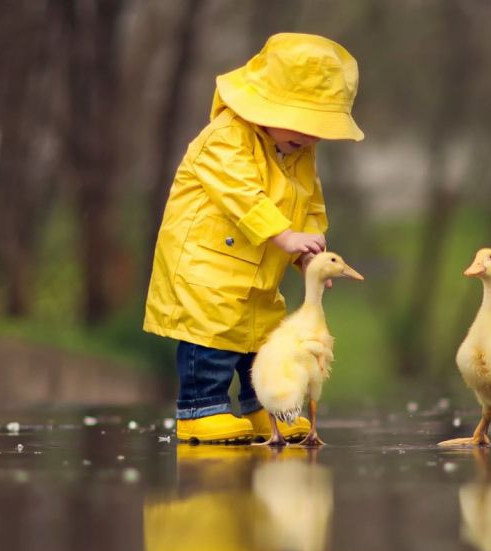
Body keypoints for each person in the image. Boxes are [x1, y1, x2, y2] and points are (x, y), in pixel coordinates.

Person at [143, 33, 363, 443]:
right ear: (264, 104)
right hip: (207, 267)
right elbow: (241, 193)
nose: (311, 139)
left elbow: (311, 204)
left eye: (319, 130)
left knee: (265, 341)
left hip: (261, 269)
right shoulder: (225, 138)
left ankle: (267, 408)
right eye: (303, 125)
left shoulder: (297, 152)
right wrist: (283, 234)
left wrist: (308, 250)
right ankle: (199, 409)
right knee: (211, 336)